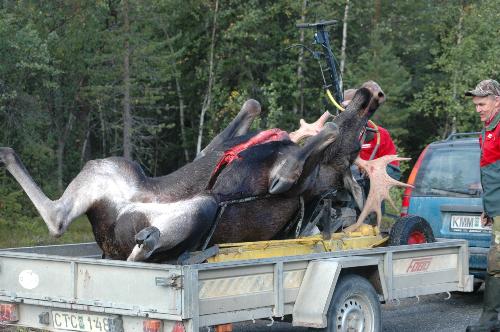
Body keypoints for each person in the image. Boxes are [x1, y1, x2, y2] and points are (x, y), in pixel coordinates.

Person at [465, 79, 500, 332]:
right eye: (476, 104)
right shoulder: (488, 130)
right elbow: (491, 175)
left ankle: (488, 322)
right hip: (496, 209)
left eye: (482, 103)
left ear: (497, 101)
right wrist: (488, 209)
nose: (478, 109)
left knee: (496, 264)